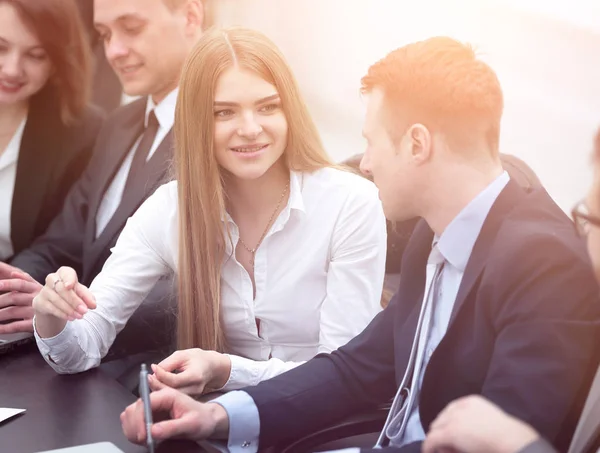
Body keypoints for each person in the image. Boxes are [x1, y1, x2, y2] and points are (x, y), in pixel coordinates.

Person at [119, 36, 600, 453]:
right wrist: (218, 416)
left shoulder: (543, 263)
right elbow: (358, 368)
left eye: (371, 142)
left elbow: (498, 444)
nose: (364, 163)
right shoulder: (435, 234)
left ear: (417, 144)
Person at [30, 27, 387, 394]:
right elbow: (82, 347)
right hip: (219, 428)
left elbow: (344, 372)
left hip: (331, 428)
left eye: (267, 106)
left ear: (290, 110)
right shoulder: (169, 210)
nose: (250, 129)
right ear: (198, 121)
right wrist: (51, 314)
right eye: (224, 113)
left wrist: (228, 370)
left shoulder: (351, 202)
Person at [0, 0, 208, 348]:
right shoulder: (119, 126)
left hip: (152, 366)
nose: (114, 51)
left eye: (132, 28)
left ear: (190, 16)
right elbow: (62, 241)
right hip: (74, 349)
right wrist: (11, 287)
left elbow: (197, 286)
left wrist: (71, 310)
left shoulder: (220, 130)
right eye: (105, 34)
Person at [421, 128, 600, 453]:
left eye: (589, 217)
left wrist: (516, 444)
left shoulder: (547, 265)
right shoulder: (426, 239)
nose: (584, 239)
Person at [0, 0, 102, 329]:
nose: (13, 69)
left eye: (36, 55)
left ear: (57, 62)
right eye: (0, 47)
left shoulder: (80, 132)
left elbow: (59, 244)